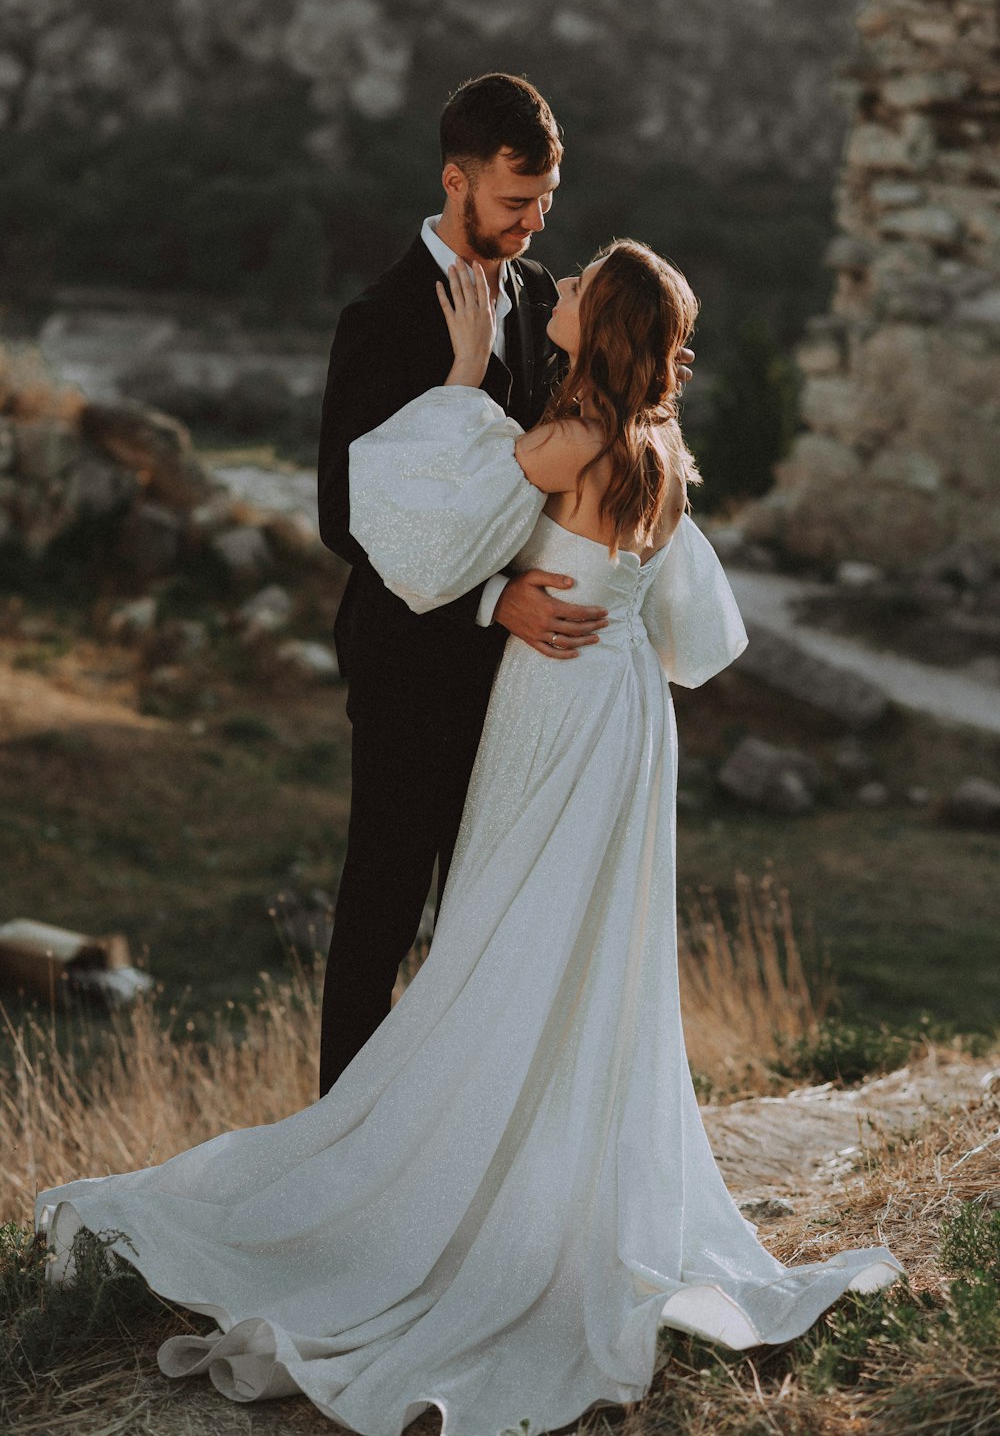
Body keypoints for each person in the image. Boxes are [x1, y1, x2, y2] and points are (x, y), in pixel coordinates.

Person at [35, 238, 902, 1436]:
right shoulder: (653, 442)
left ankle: (453, 1190)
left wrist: (463, 366)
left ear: (599, 327)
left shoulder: (572, 438)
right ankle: (550, 1166)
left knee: (501, 937)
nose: (567, 282)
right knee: (571, 950)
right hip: (622, 720)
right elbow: (682, 624)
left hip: (555, 712)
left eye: (585, 284)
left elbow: (418, 495)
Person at [315, 72, 694, 1093]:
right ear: (456, 179)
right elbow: (346, 515)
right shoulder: (380, 320)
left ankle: (452, 1147)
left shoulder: (546, 303)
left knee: (488, 923)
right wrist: (493, 600)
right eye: (515, 201)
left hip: (535, 690)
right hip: (416, 669)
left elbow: (559, 489)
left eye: (547, 204)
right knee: (384, 917)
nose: (534, 225)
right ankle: (344, 1149)